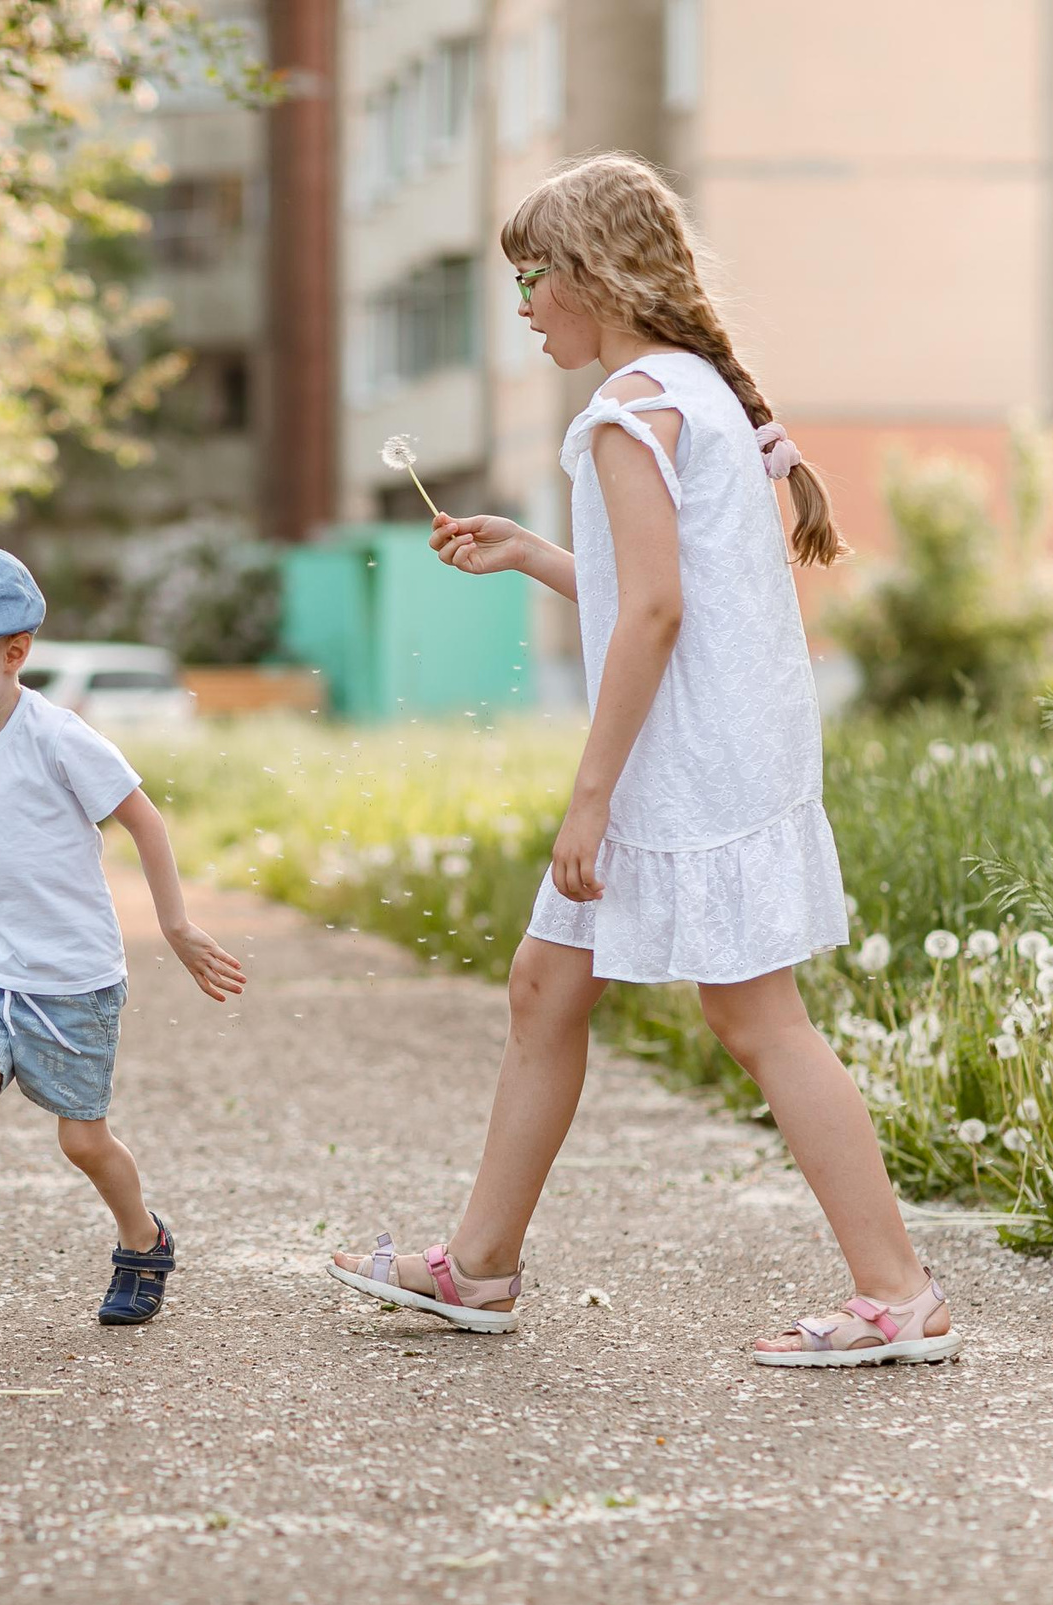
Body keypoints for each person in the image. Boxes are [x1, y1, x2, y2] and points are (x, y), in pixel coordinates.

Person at [326, 153, 958, 1368]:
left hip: (686, 764)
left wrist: (590, 796)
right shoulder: (689, 392)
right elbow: (665, 594)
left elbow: (656, 616)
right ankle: (480, 1265)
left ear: (588, 278)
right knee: (544, 987)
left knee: (757, 1016)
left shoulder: (627, 410)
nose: (520, 309)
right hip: (719, 743)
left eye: (529, 281)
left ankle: (898, 1293)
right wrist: (532, 556)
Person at [0, 541, 246, 1356]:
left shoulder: (58, 737)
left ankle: (144, 1241)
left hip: (73, 983)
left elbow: (145, 820)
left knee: (81, 1139)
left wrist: (175, 925)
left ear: (15, 653)